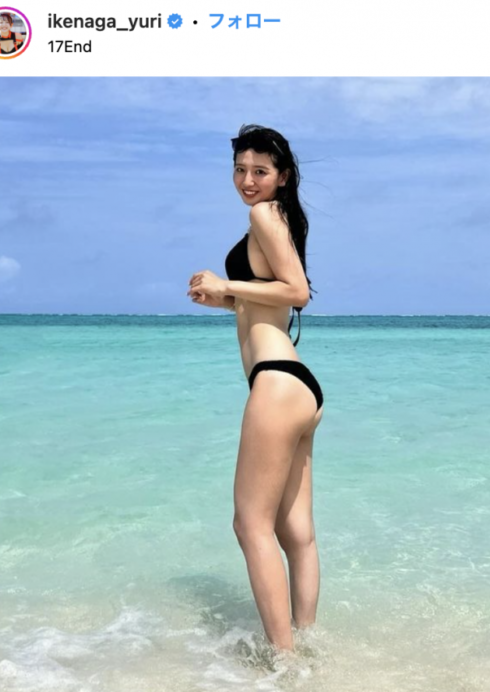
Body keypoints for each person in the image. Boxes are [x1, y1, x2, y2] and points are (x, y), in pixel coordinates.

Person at [187, 124, 324, 652]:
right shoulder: (278, 219)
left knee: (250, 526)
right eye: (240, 170)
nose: (248, 180)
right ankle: (308, 648)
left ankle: (283, 663)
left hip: (276, 382)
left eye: (260, 171)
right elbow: (271, 298)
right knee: (296, 533)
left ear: (282, 176)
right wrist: (224, 301)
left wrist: (227, 283)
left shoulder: (264, 215)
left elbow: (297, 292)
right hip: (299, 386)